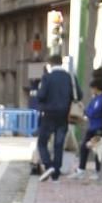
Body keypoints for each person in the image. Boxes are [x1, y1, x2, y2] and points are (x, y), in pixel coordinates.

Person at [36, 54, 81, 182]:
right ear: (61, 63)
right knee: (59, 144)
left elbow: (41, 95)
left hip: (49, 114)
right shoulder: (70, 77)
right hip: (65, 115)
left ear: (50, 64)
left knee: (42, 142)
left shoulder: (47, 77)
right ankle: (56, 174)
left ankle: (48, 165)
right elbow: (79, 95)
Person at [72, 77, 102, 180]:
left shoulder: (101, 99)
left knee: (97, 148)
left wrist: (86, 112)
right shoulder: (95, 99)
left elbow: (93, 112)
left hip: (98, 127)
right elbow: (89, 111)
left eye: (92, 88)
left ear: (96, 88)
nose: (91, 90)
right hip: (92, 126)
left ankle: (98, 171)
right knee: (84, 147)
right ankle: (81, 169)